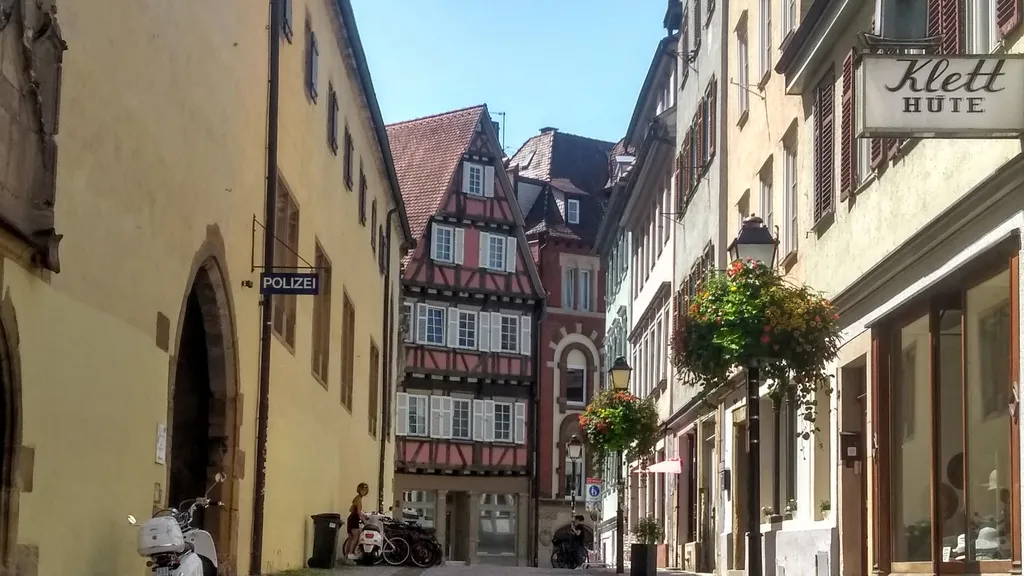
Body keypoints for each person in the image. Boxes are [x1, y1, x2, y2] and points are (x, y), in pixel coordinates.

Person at [344, 483, 369, 561]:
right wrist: (364, 520)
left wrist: (362, 515)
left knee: (351, 537)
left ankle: (347, 555)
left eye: (365, 490)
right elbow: (358, 511)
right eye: (363, 490)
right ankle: (351, 553)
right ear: (359, 490)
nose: (364, 492)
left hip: (351, 518)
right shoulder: (358, 499)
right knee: (356, 536)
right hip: (354, 518)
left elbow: (351, 509)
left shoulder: (357, 498)